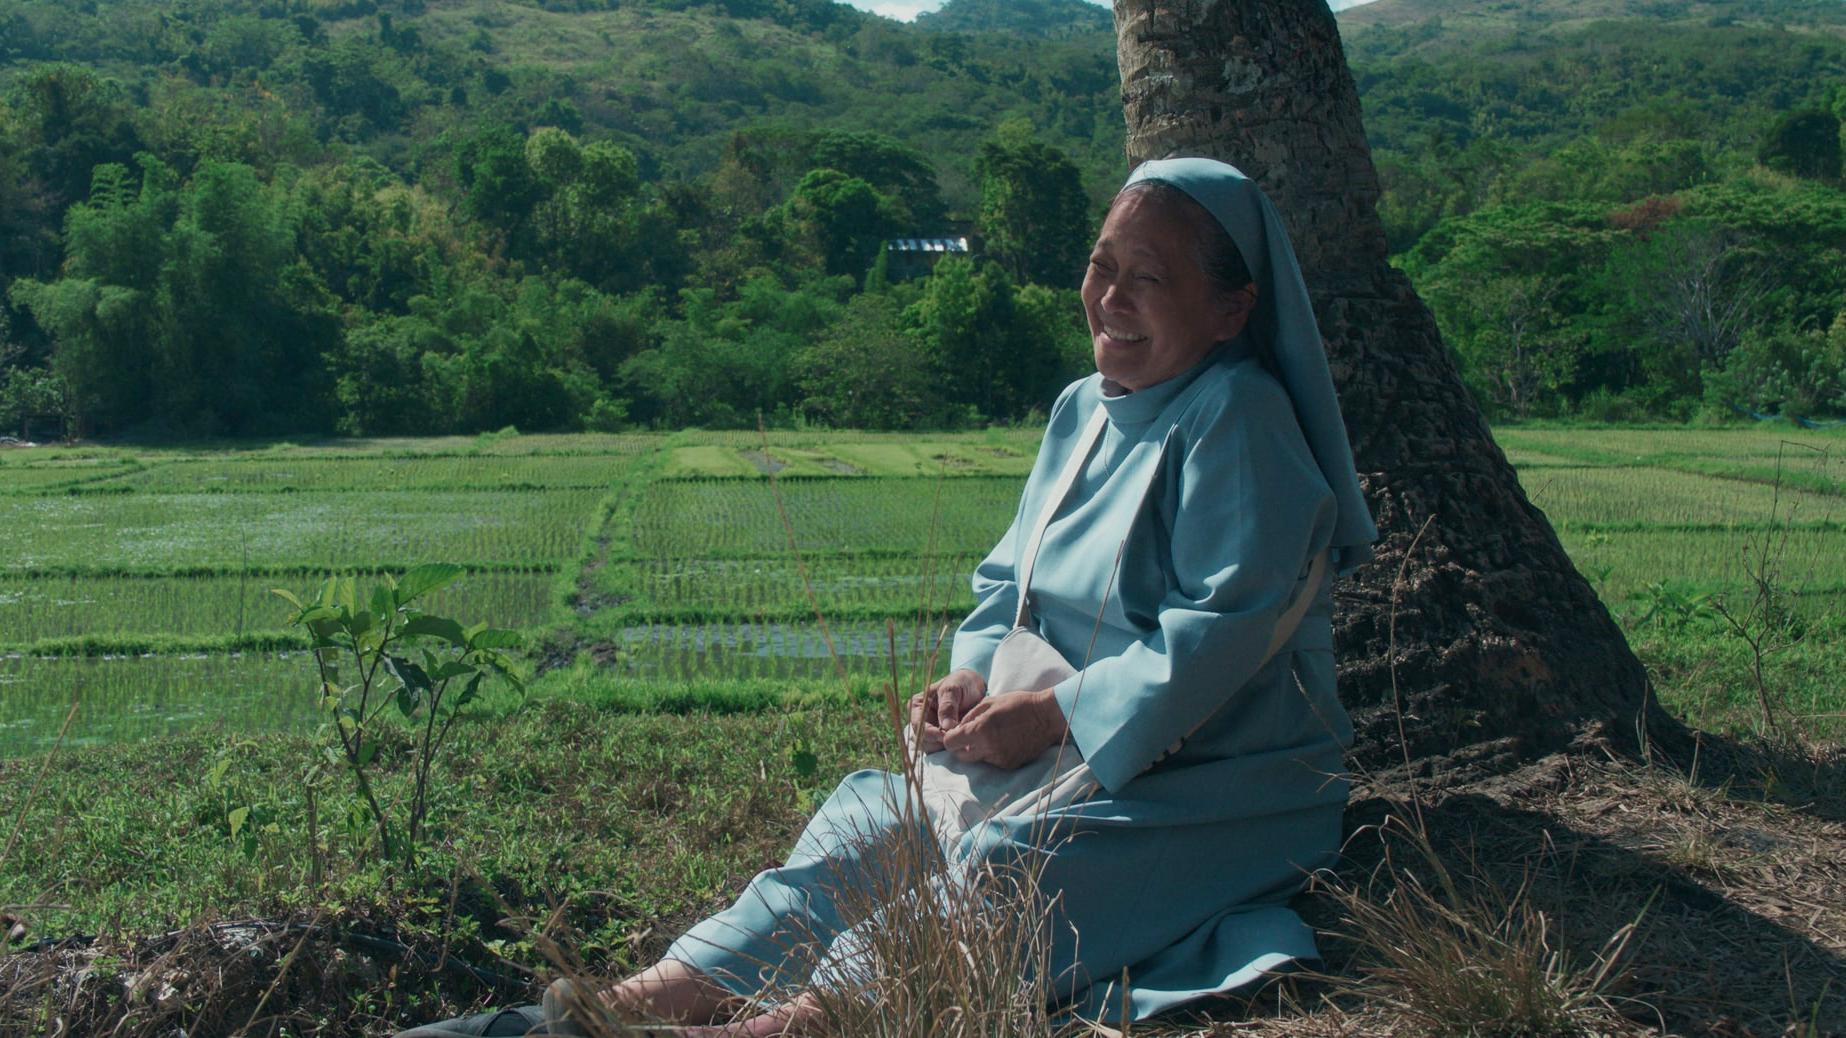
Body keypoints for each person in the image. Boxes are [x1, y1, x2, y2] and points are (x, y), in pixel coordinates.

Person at [397, 156, 1377, 1037]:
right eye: (1101, 266)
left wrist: (1056, 715)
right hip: (1054, 755)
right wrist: (969, 674)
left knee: (1012, 872)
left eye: (1150, 278)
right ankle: (626, 1008)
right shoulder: (1083, 410)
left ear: (1232, 309)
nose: (1111, 298)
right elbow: (1008, 584)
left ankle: (787, 1026)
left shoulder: (1236, 419)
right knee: (875, 826)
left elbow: (1223, 630)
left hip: (1213, 783)